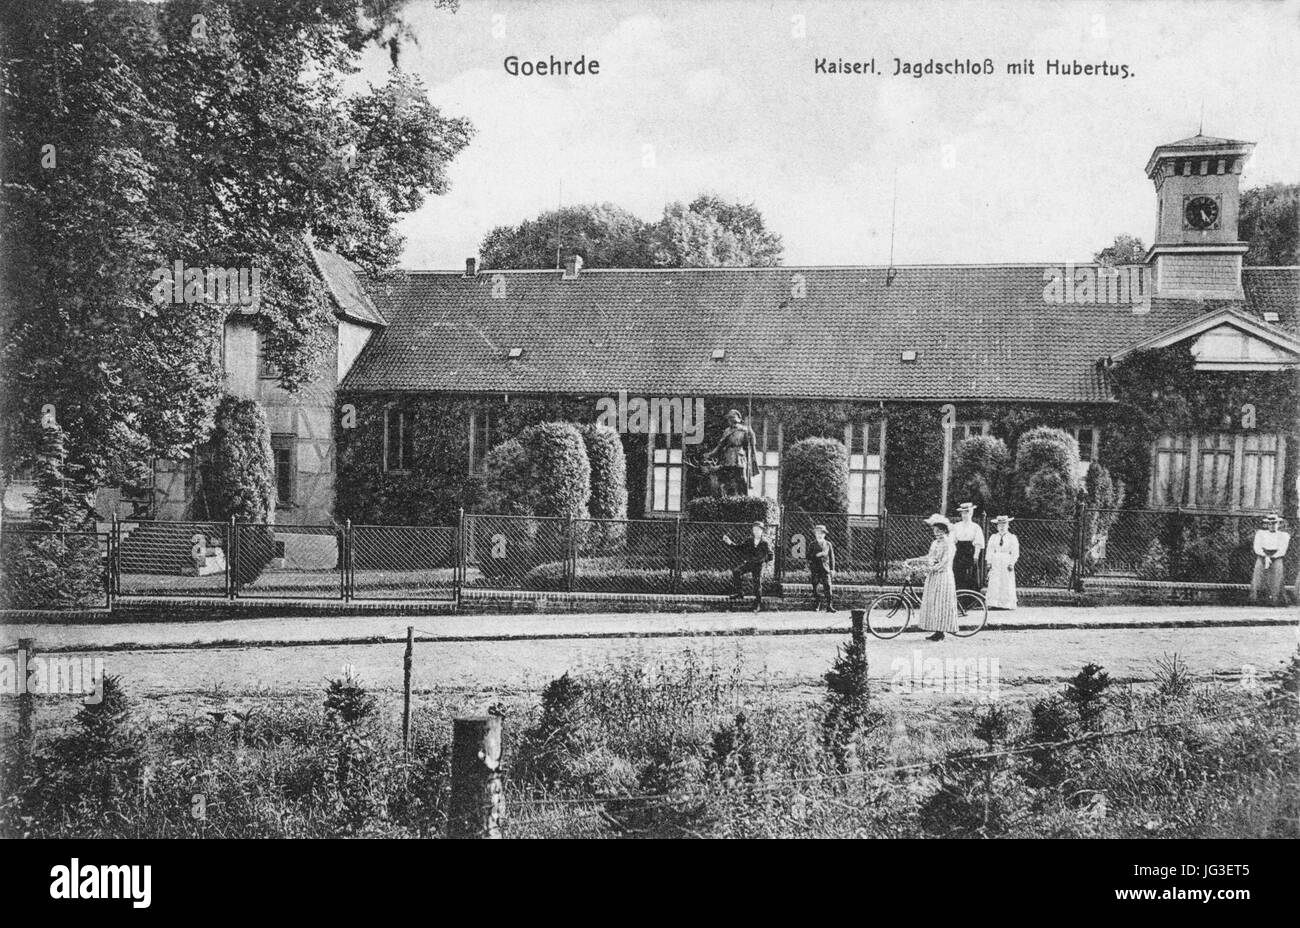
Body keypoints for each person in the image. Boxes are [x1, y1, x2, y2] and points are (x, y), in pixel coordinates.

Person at [907, 514, 958, 642]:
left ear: (945, 531)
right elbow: (930, 557)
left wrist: (930, 569)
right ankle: (936, 630)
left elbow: (945, 563)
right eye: (935, 531)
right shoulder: (935, 543)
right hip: (933, 576)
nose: (937, 534)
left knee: (941, 603)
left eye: (940, 531)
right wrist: (915, 560)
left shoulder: (949, 544)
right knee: (933, 603)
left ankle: (941, 632)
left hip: (943, 576)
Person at [723, 521, 772, 611]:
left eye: (758, 529)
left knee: (757, 583)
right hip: (750, 563)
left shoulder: (765, 542)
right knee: (737, 571)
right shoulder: (749, 540)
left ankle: (758, 604)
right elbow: (739, 547)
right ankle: (740, 593)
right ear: (752, 531)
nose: (756, 531)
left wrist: (762, 561)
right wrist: (729, 542)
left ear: (762, 531)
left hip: (758, 565)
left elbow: (770, 555)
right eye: (754, 529)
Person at [709, 409, 758, 496]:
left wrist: (751, 435)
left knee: (742, 478)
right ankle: (730, 497)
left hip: (740, 457)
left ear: (739, 419)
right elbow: (720, 446)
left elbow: (749, 447)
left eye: (733, 417)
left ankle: (744, 497)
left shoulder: (745, 430)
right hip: (728, 457)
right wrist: (711, 454)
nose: (731, 420)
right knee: (728, 480)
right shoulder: (727, 431)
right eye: (729, 418)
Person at [1250, 513, 1290, 606]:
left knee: (1276, 577)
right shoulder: (1261, 534)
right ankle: (1257, 600)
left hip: (1276, 557)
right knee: (1259, 576)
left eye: (1274, 523)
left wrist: (1272, 557)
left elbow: (1283, 549)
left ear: (1278, 524)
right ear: (1267, 525)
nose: (1272, 526)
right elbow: (1257, 547)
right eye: (1270, 524)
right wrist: (1265, 556)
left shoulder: (1284, 535)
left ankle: (1274, 600)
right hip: (1262, 555)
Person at [984, 515, 1019, 610]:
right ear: (997, 526)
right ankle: (994, 603)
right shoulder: (993, 537)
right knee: (995, 581)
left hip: (1006, 561)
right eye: (999, 525)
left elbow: (1015, 552)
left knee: (1006, 581)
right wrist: (989, 562)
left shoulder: (1012, 537)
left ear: (1008, 525)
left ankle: (1006, 604)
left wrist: (1012, 563)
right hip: (996, 561)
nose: (1002, 527)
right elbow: (990, 550)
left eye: (1004, 524)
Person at [950, 501, 985, 591]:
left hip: (970, 552)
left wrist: (976, 555)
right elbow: (952, 541)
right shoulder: (956, 526)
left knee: (970, 575)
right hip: (959, 553)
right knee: (958, 574)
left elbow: (978, 543)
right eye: (963, 513)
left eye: (967, 513)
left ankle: (971, 599)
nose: (965, 515)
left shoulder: (975, 527)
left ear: (971, 513)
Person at [808, 523, 837, 613]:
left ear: (824, 534)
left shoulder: (828, 544)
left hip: (825, 569)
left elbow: (832, 557)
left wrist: (832, 569)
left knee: (828, 587)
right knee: (815, 588)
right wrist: (816, 555)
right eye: (817, 533)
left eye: (821, 533)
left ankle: (829, 606)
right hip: (815, 569)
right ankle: (817, 604)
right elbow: (808, 557)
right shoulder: (812, 544)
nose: (819, 535)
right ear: (815, 534)